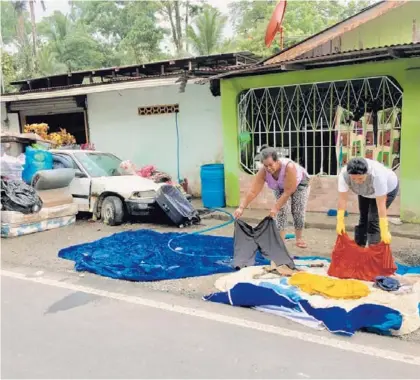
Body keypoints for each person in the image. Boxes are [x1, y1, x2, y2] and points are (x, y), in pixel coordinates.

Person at [234, 147, 310, 248]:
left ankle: (299, 238)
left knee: (297, 210)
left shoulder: (289, 167)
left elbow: (288, 192)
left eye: (270, 165)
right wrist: (241, 207)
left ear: (277, 161)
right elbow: (253, 191)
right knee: (281, 211)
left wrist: (275, 208)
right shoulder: (263, 172)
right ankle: (280, 242)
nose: (269, 168)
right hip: (280, 186)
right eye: (266, 166)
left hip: (300, 183)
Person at [336, 157, 399, 246]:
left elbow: (381, 204)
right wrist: (340, 221)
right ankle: (359, 247)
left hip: (388, 190)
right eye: (354, 179)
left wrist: (384, 229)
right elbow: (342, 199)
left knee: (373, 219)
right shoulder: (344, 175)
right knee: (363, 217)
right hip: (365, 192)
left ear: (367, 173)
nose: (357, 182)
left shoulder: (377, 175)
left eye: (360, 178)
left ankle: (373, 250)